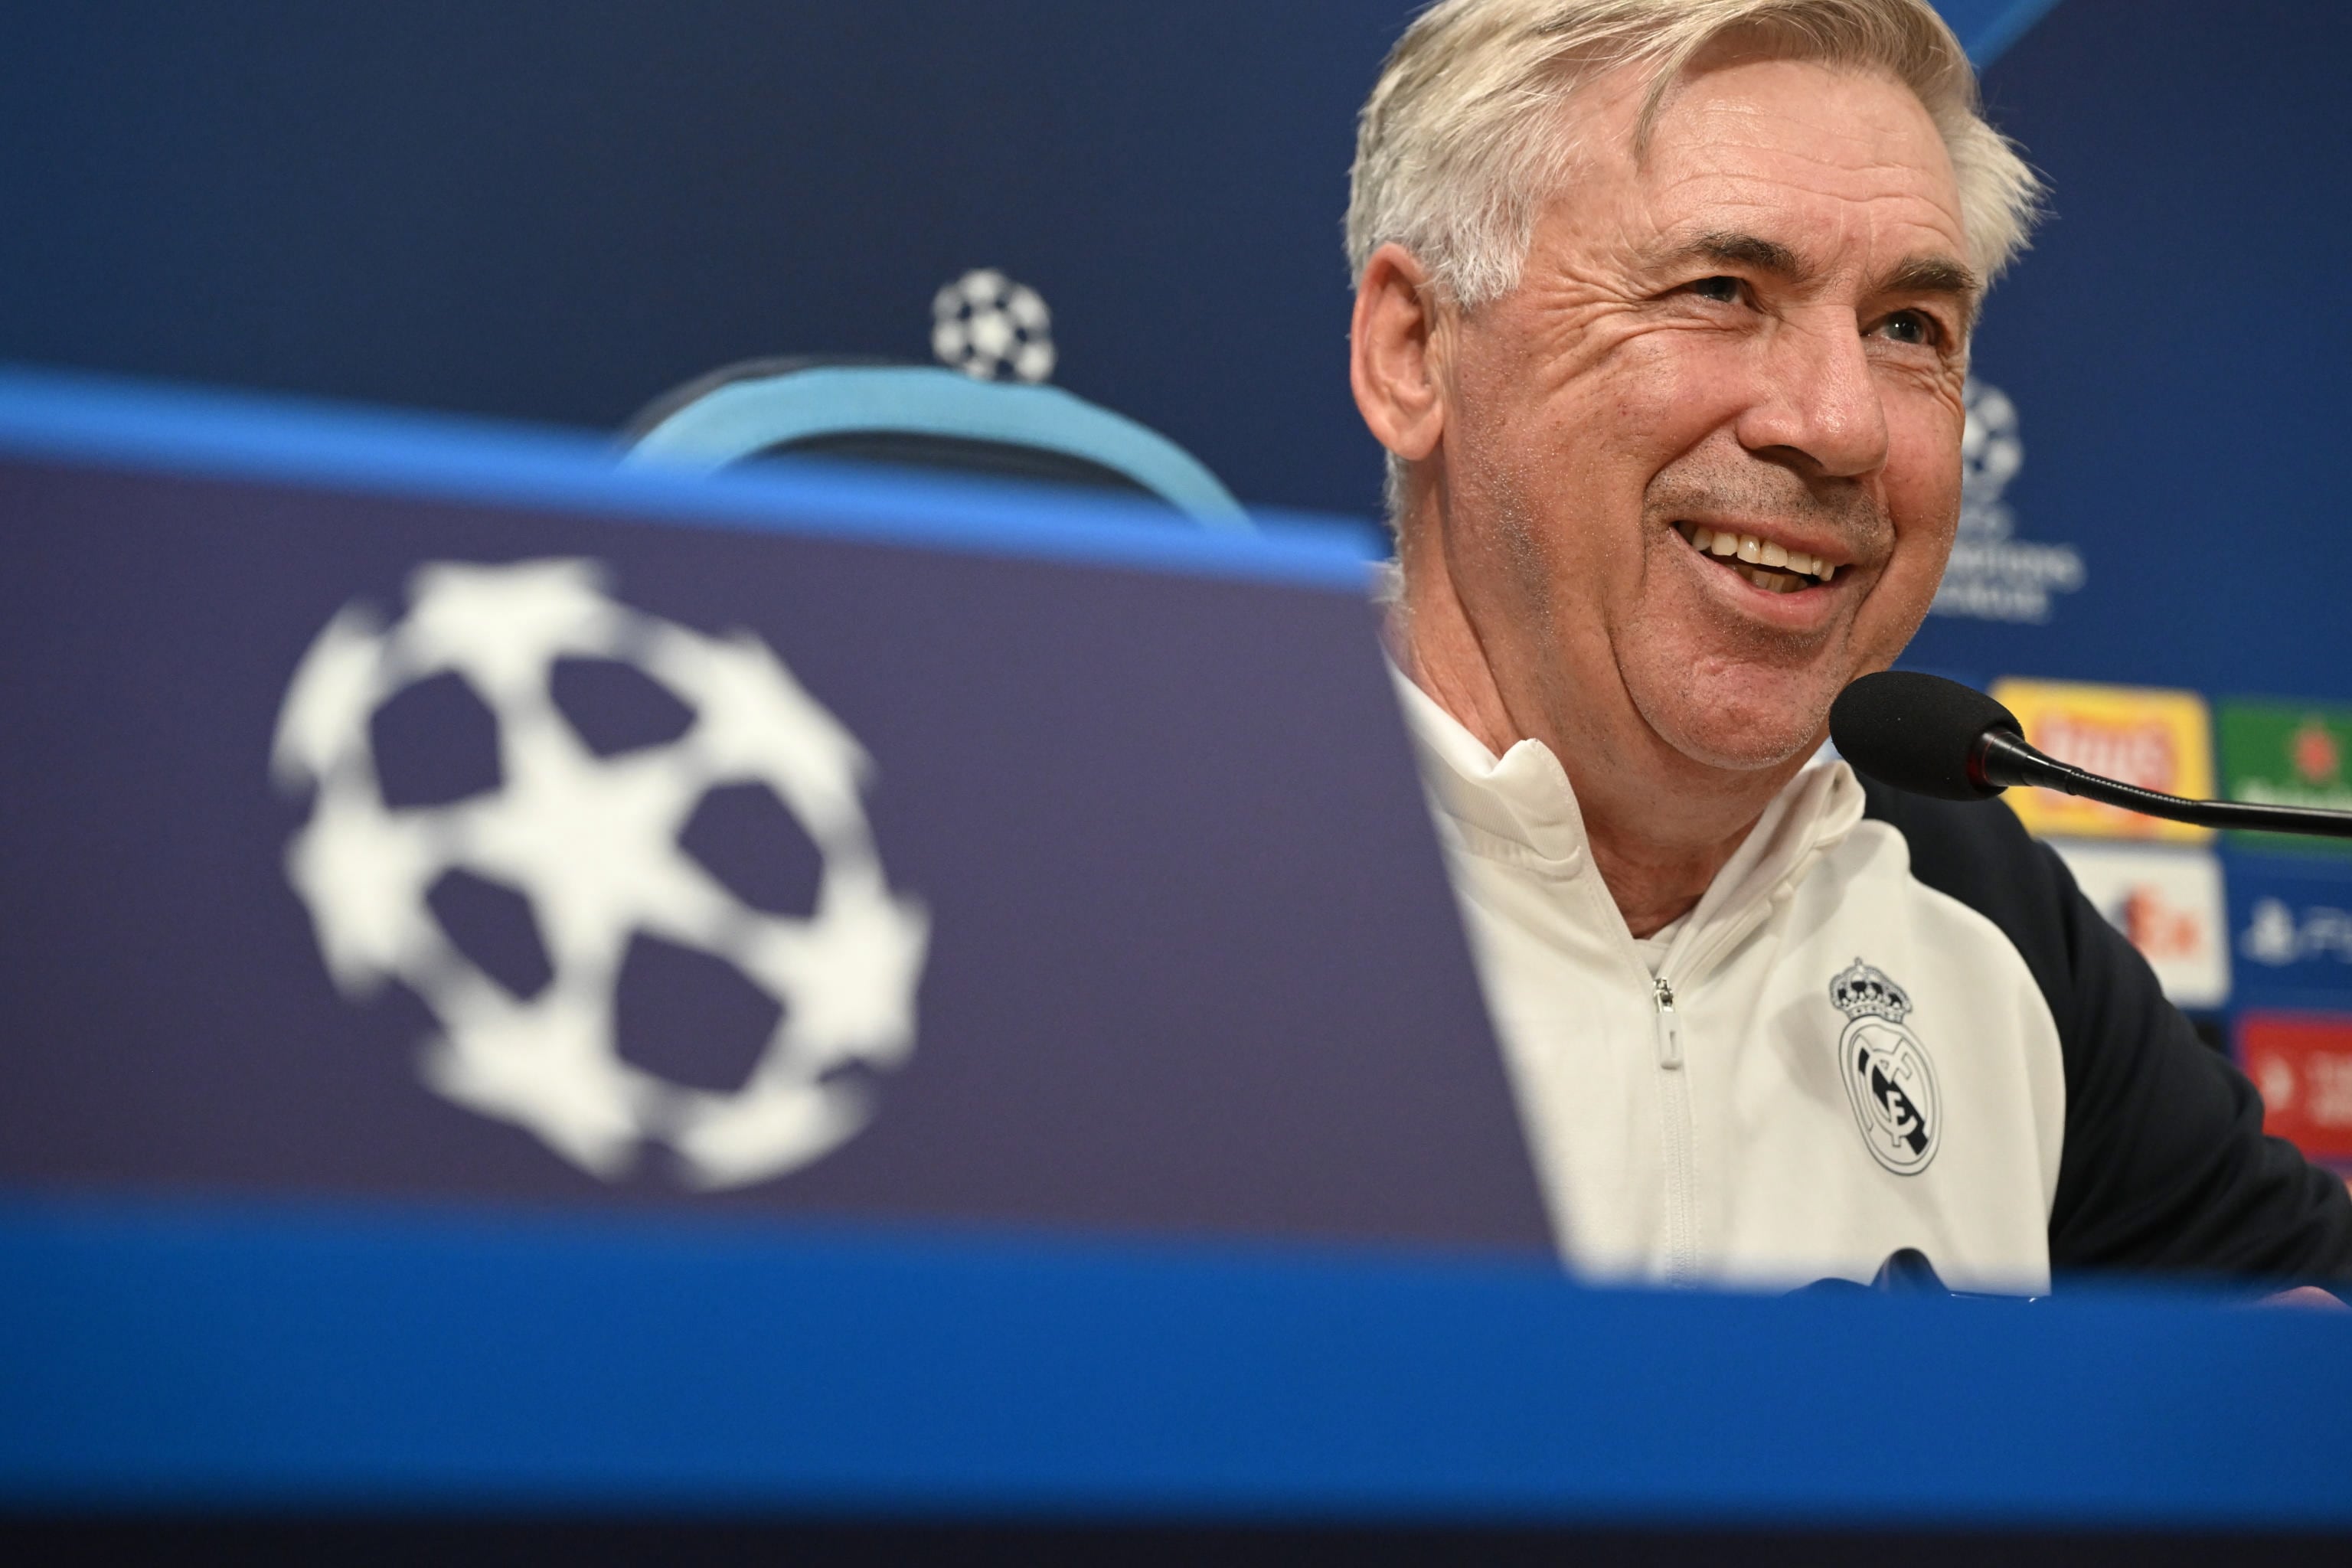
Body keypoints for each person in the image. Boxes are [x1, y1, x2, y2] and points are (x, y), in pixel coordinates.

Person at [1344, 0, 2352, 1293]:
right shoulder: (1157, 881)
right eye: (1721, 291)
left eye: (1908, 330)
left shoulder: (1975, 897)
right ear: (1415, 351)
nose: (1840, 423)